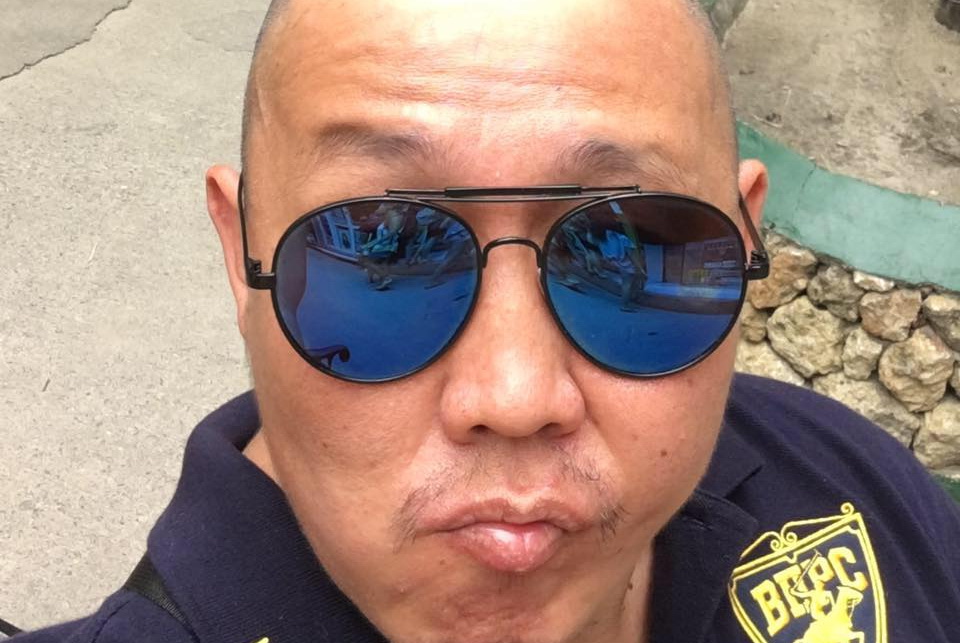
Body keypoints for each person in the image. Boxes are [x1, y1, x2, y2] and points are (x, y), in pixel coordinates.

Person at [11, 0, 960, 642]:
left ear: (746, 243)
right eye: (386, 252)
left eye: (628, 245)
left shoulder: (853, 482)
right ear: (240, 252)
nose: (513, 396)